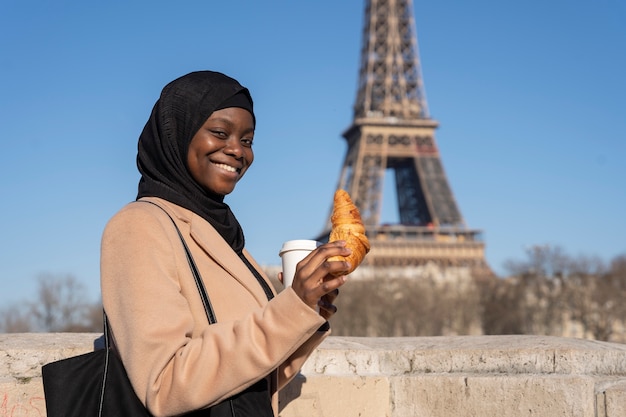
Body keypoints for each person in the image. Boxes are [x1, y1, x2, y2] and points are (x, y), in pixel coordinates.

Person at [100, 71, 352, 417]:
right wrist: (290, 307)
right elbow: (164, 384)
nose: (237, 150)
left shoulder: (223, 235)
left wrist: (308, 309)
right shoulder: (140, 226)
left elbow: (252, 380)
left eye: (247, 140)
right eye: (220, 132)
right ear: (178, 132)